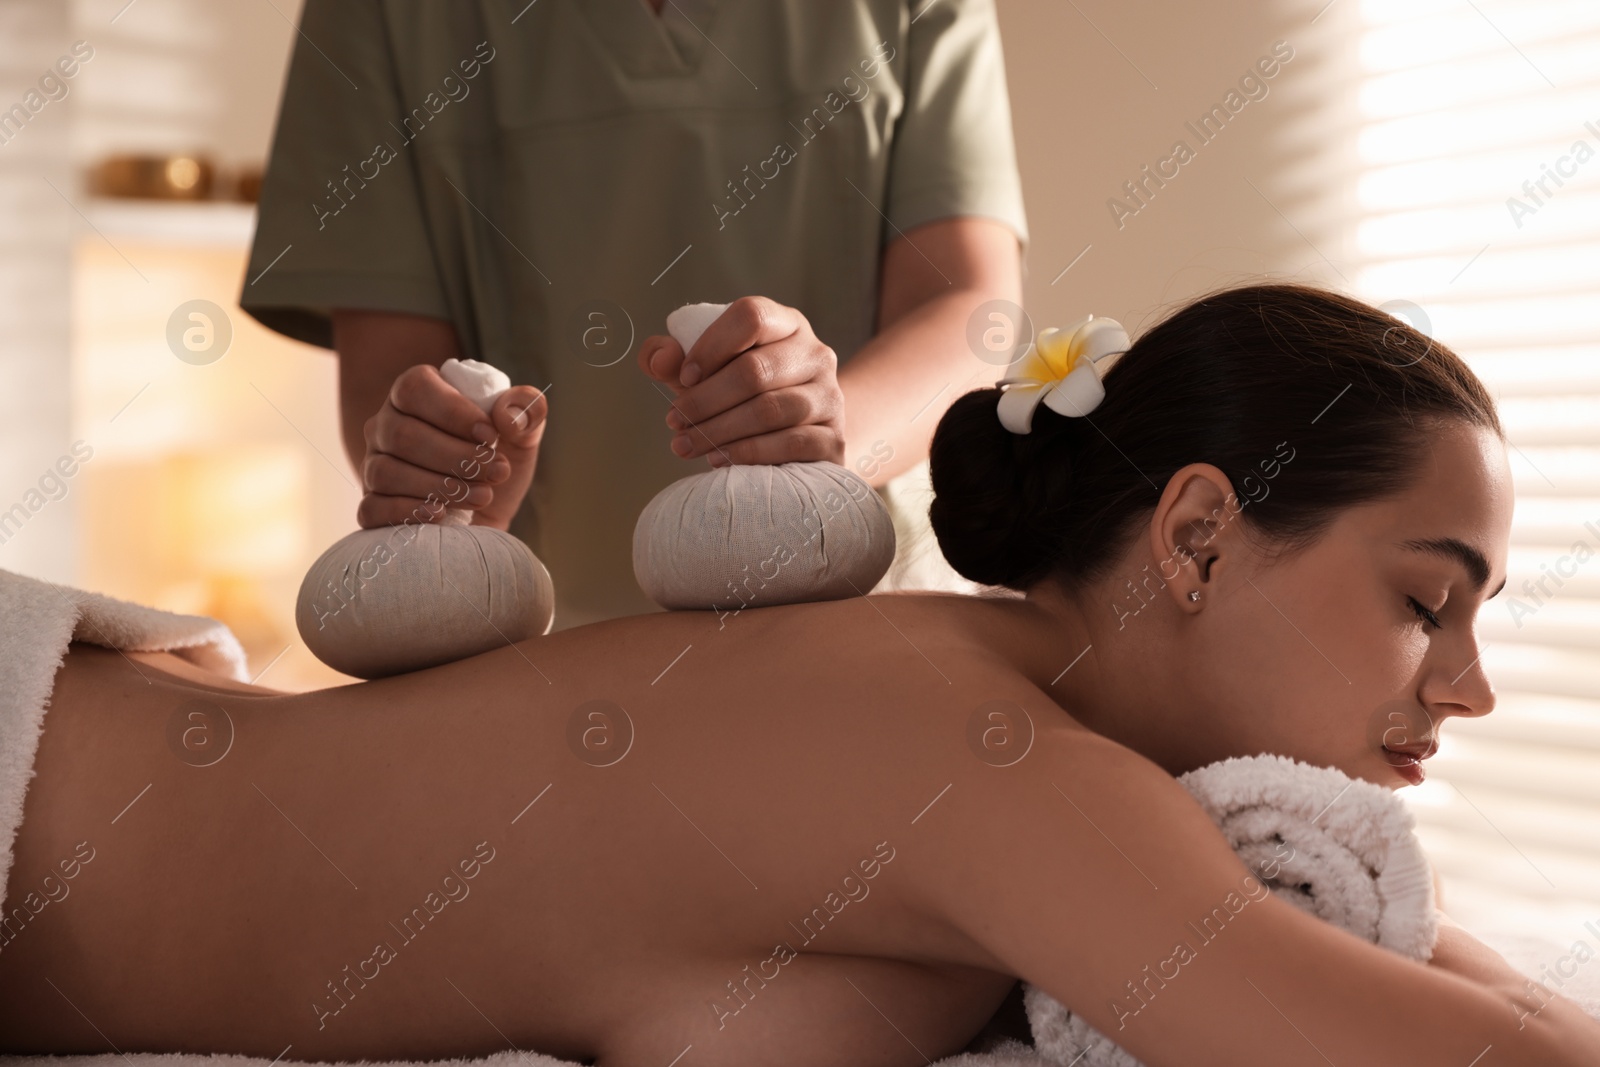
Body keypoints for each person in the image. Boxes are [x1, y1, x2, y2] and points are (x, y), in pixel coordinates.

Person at [7, 284, 1600, 1065]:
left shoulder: (1000, 718)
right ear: (1194, 535)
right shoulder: (993, 758)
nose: (1468, 687)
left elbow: (1495, 993)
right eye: (1423, 603)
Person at [238, 0, 1028, 629]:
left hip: (871, 625)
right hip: (547, 657)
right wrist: (444, 468)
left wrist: (819, 434)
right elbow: (390, 376)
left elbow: (970, 310)